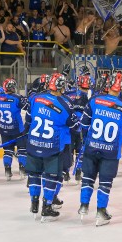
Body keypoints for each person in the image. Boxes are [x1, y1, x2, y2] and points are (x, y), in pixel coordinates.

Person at [78, 72, 122, 226]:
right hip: (111, 151)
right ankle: (101, 211)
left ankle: (84, 206)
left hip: (91, 147)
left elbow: (84, 124)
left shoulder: (94, 100)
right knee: (105, 182)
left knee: (87, 178)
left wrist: (87, 140)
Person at [25, 73, 80, 222]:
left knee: (35, 174)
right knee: (51, 176)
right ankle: (47, 206)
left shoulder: (36, 98)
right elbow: (75, 127)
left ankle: (34, 204)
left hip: (34, 143)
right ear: (61, 86)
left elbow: (28, 119)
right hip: (53, 147)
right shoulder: (66, 104)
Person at [0, 78, 30, 180]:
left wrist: (3, 88)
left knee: (7, 151)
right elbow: (27, 106)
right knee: (22, 150)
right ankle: (23, 170)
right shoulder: (17, 98)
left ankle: (7, 171)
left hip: (3, 128)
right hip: (17, 129)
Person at [62, 74, 90, 182]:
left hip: (70, 126)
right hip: (81, 127)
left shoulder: (69, 93)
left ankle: (66, 172)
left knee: (68, 150)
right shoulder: (88, 97)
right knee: (80, 150)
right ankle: (78, 171)